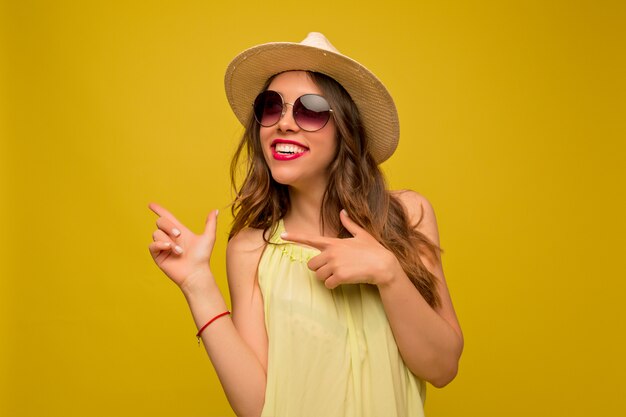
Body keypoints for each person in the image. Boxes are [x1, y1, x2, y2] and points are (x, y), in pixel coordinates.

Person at [148, 32, 463, 417]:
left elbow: (443, 368)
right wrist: (199, 287)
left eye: (310, 110)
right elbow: (257, 406)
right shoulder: (250, 249)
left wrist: (388, 272)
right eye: (270, 107)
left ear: (344, 129)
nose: (283, 123)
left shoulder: (406, 216)